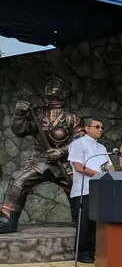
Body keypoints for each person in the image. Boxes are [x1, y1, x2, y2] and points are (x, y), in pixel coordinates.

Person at [0, 75, 85, 233]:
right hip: (39, 160)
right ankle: (7, 220)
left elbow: (79, 140)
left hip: (64, 162)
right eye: (50, 86)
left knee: (79, 187)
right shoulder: (37, 112)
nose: (51, 89)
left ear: (65, 92)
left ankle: (82, 222)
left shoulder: (74, 116)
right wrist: (19, 114)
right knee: (18, 181)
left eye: (56, 86)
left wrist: (61, 151)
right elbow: (20, 130)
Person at [67, 118, 114, 263]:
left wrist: (111, 175)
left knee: (96, 223)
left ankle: (93, 251)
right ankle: (81, 253)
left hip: (100, 189)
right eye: (97, 126)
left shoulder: (101, 147)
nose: (100, 129)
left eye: (102, 127)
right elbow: (79, 167)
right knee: (85, 223)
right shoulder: (78, 144)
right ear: (87, 128)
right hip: (84, 189)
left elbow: (109, 166)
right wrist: (101, 175)